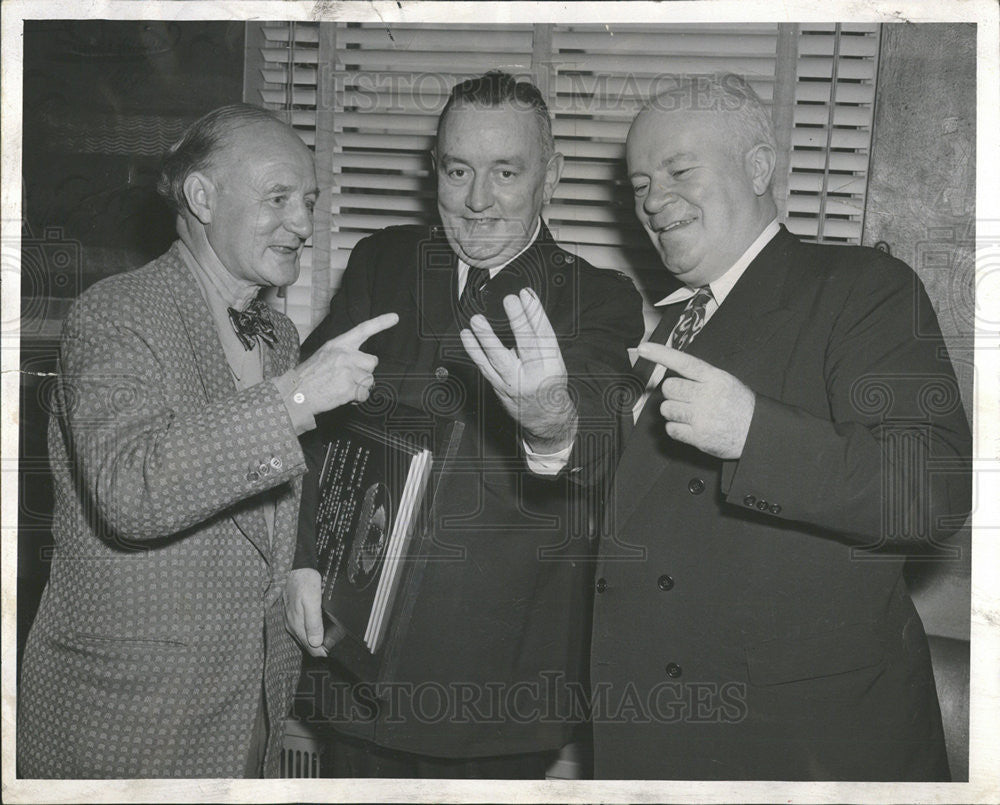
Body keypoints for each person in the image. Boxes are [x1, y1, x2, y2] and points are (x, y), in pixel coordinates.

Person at [589, 73, 973, 781]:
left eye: (678, 171)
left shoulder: (862, 289)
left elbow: (935, 490)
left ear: (759, 167)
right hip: (654, 741)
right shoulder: (672, 323)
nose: (652, 202)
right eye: (640, 184)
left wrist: (753, 433)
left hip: (796, 751)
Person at [17, 104, 398, 778]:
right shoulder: (114, 311)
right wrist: (301, 396)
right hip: (123, 724)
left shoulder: (277, 337)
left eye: (308, 201)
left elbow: (265, 500)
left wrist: (301, 565)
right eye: (278, 198)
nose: (305, 224)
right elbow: (131, 488)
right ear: (201, 196)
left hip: (248, 714)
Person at [286, 71, 644, 778]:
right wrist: (303, 557)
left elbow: (600, 435)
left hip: (490, 703)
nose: (478, 201)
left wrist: (551, 423)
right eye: (458, 171)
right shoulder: (381, 263)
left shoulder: (598, 297)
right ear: (435, 172)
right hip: (352, 672)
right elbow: (309, 423)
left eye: (506, 172)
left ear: (550, 176)